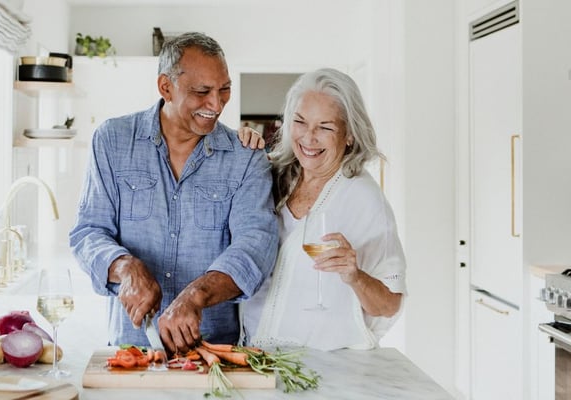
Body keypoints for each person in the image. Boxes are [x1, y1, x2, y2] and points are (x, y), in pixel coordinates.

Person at [69, 32, 279, 353]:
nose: (216, 104)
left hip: (213, 352)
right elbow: (88, 232)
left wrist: (195, 295)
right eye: (201, 91)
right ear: (166, 87)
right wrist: (125, 267)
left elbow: (255, 246)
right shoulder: (112, 140)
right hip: (131, 349)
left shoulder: (246, 156)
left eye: (224, 90)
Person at [240, 68, 406, 351]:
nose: (308, 137)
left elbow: (389, 304)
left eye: (325, 127)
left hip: (321, 367)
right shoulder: (272, 175)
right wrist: (238, 147)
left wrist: (355, 276)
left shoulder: (364, 199)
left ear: (349, 135)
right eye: (300, 122)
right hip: (253, 354)